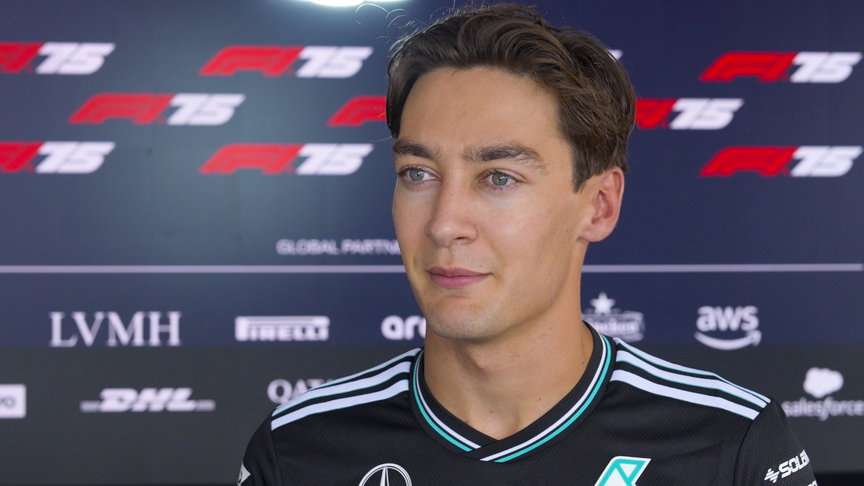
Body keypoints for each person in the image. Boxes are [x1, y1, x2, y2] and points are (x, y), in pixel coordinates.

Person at [240, 4, 817, 485]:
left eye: (498, 177)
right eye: (418, 173)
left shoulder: (732, 443)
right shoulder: (297, 449)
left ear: (599, 205)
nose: (444, 223)